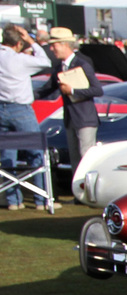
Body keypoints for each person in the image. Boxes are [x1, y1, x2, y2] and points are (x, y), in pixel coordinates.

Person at [1, 24, 52, 211]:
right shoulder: (19, 59)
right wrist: (32, 41)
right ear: (19, 42)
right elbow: (45, 61)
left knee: (7, 154)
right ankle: (41, 198)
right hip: (20, 108)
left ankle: (13, 199)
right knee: (35, 152)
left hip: (1, 108)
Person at [39, 27, 102, 176]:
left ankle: (88, 195)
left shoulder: (82, 64)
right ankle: (77, 196)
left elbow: (97, 90)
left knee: (86, 158)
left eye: (54, 45)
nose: (51, 48)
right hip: (70, 119)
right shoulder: (59, 68)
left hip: (85, 119)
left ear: (65, 45)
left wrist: (72, 91)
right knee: (75, 159)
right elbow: (46, 89)